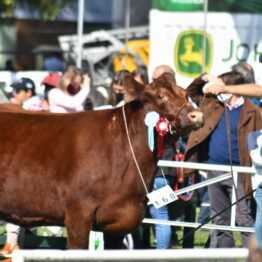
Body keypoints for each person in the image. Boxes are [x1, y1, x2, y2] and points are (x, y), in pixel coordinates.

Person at [185, 70, 262, 248]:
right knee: (219, 219)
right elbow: (191, 93)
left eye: (218, 85)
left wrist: (222, 85)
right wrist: (203, 78)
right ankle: (224, 255)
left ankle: (250, 255)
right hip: (214, 169)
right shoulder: (214, 105)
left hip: (241, 173)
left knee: (244, 219)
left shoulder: (253, 111)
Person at [0, 77, 45, 256]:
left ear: (28, 93)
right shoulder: (10, 107)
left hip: (20, 164)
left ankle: (13, 248)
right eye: (14, 90)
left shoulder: (33, 109)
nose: (14, 93)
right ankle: (12, 246)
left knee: (19, 206)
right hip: (10, 163)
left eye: (18, 90)